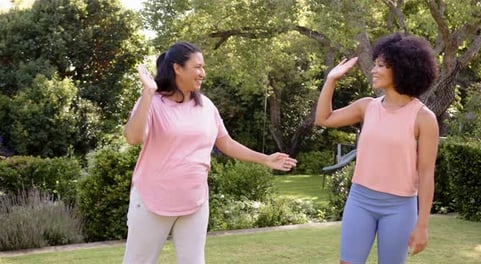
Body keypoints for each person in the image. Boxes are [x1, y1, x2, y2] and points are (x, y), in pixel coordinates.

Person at [123, 41, 297, 264]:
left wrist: (265, 159)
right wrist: (148, 92)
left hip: (194, 201)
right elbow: (133, 137)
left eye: (203, 67)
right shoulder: (153, 103)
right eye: (197, 67)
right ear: (178, 68)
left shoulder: (206, 106)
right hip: (152, 200)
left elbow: (227, 143)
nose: (202, 73)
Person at [315, 32, 439, 263]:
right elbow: (324, 118)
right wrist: (331, 80)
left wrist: (422, 225)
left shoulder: (424, 118)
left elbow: (426, 174)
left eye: (381, 65)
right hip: (360, 199)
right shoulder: (366, 107)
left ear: (401, 68)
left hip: (400, 207)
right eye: (375, 64)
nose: (374, 70)